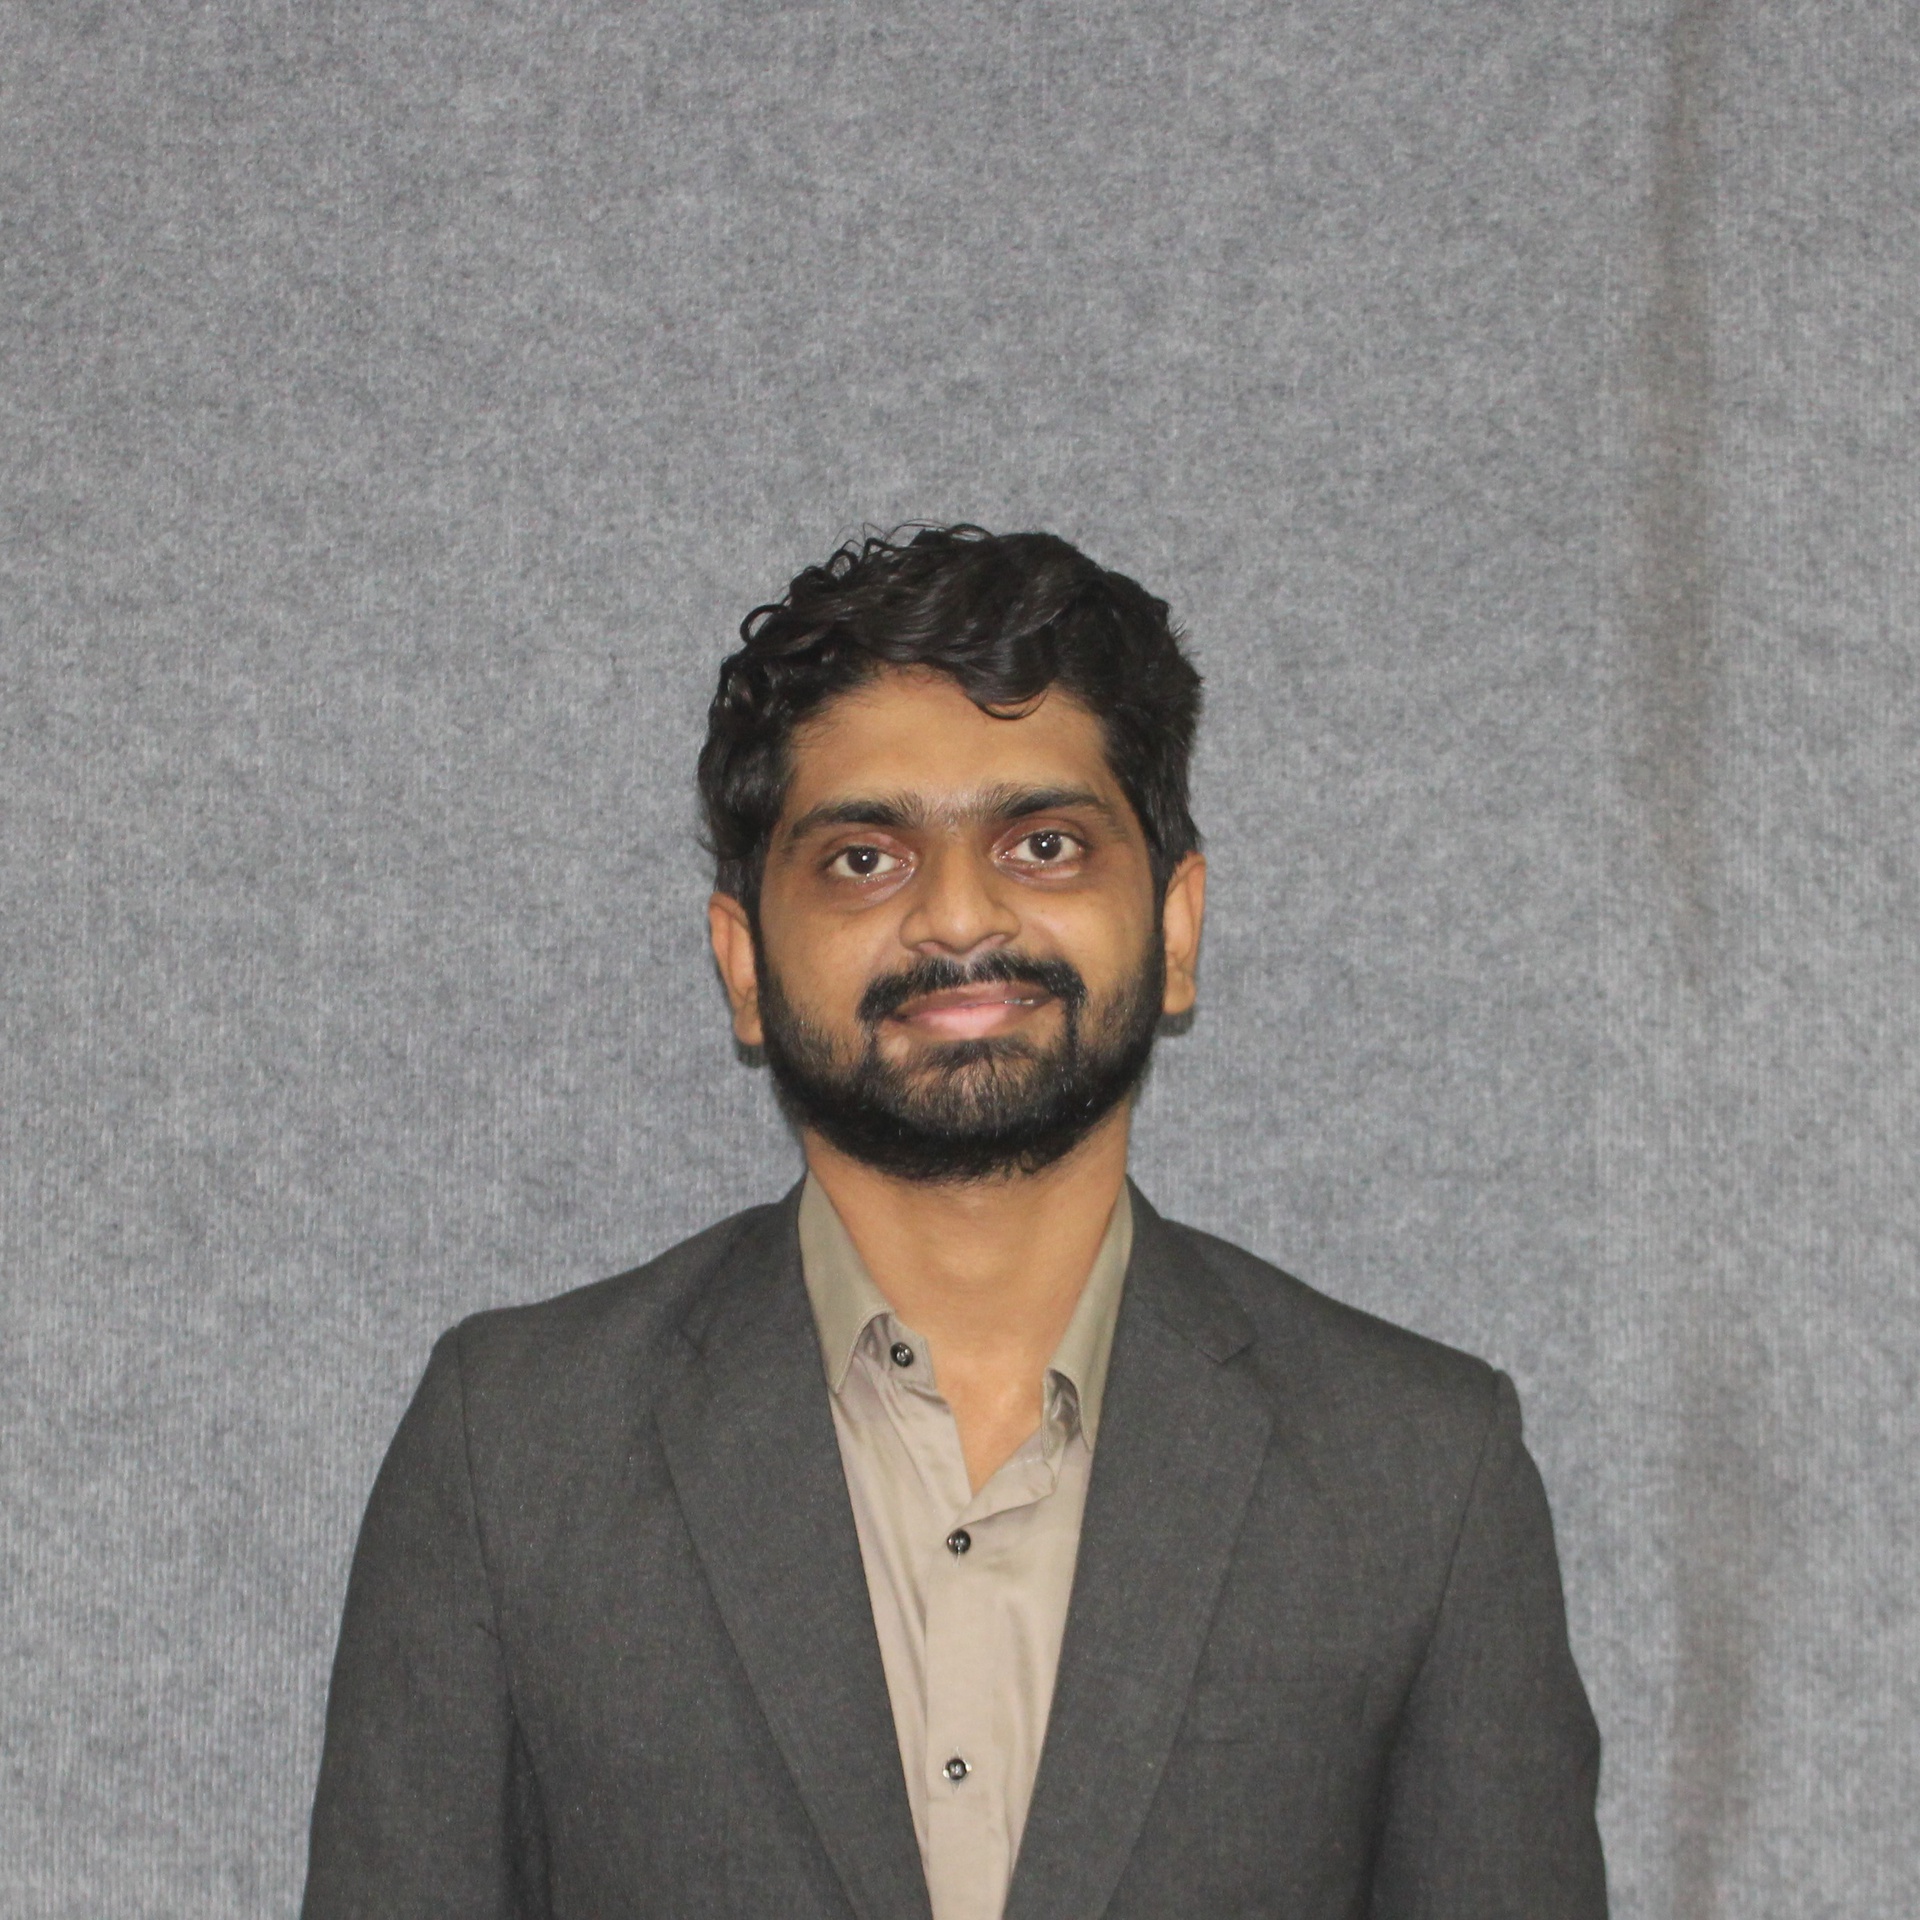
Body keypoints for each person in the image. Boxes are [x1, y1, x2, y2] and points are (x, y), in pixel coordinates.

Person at [302, 526, 1607, 1919]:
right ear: (743, 966)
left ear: (1176, 928)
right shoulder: (514, 1450)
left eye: (1043, 845)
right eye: (865, 858)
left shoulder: (1419, 1472)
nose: (959, 917)